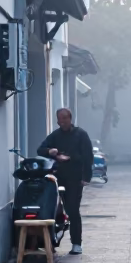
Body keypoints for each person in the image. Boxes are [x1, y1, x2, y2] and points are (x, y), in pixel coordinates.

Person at [37, 108, 93, 254]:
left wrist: (86, 177)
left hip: (75, 178)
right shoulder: (55, 136)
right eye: (59, 120)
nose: (62, 122)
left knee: (73, 209)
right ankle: (52, 241)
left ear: (70, 119)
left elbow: (88, 157)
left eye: (64, 119)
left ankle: (76, 243)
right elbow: (40, 149)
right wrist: (51, 152)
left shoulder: (81, 135)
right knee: (53, 209)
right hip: (58, 177)